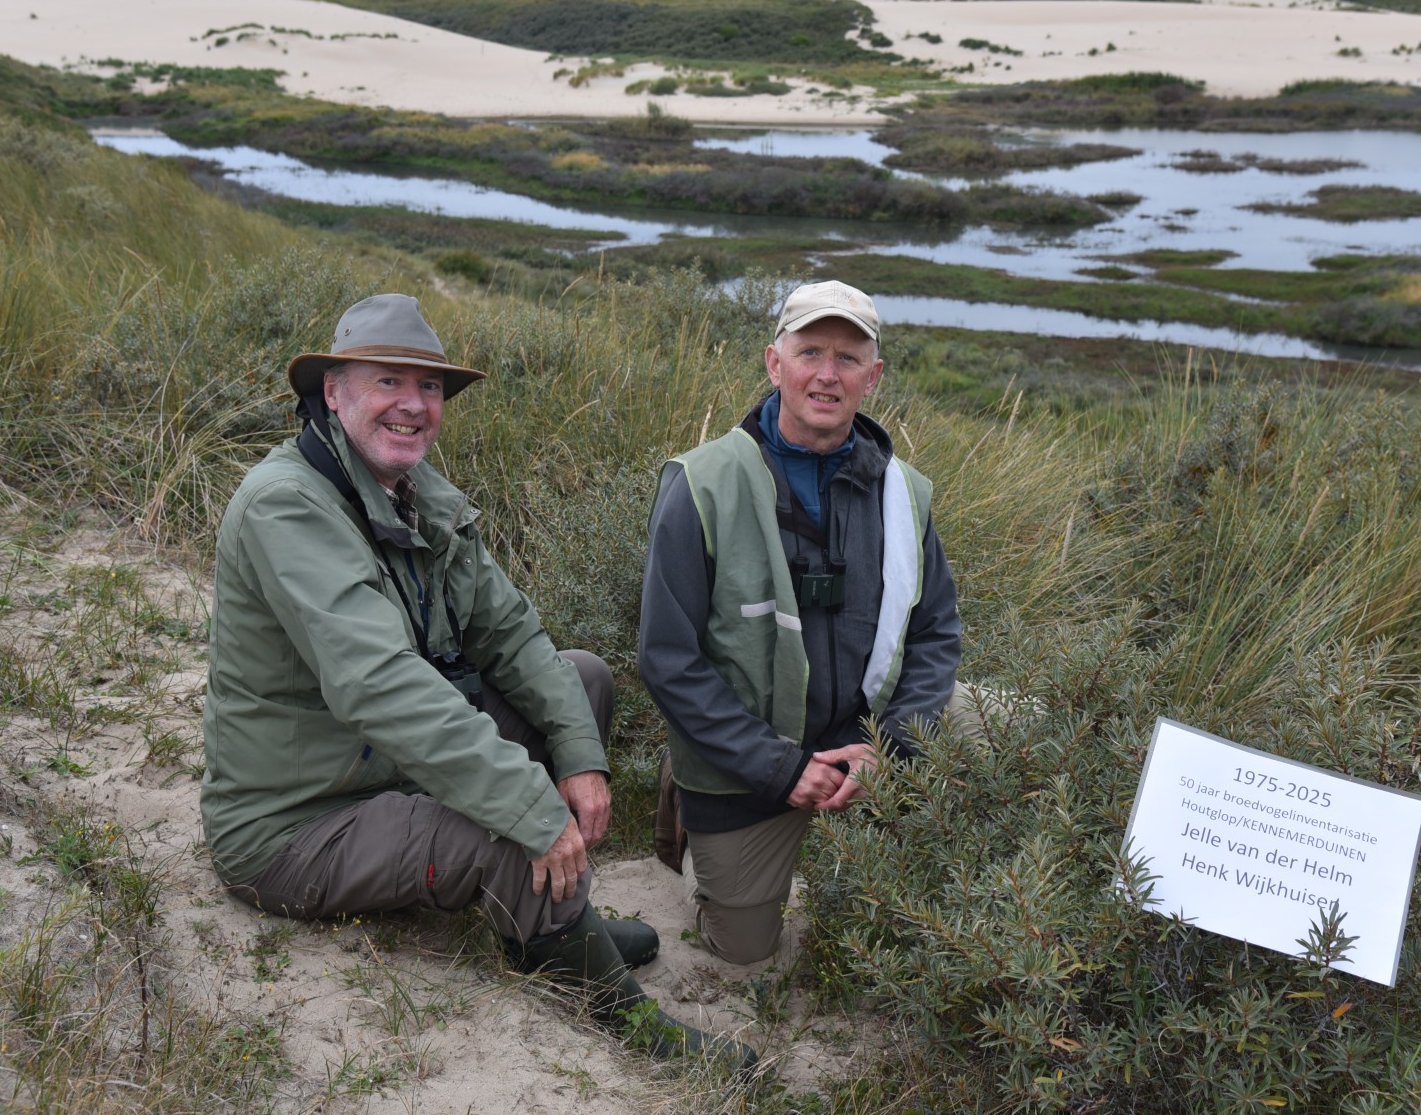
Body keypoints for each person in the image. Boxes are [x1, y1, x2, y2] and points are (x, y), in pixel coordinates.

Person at [202, 293, 751, 1067]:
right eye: (387, 380)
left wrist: (579, 755)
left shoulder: (413, 491)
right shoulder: (285, 505)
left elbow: (512, 633)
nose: (413, 404)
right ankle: (626, 1017)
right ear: (333, 391)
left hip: (379, 764)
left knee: (580, 684)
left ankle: (544, 931)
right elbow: (380, 686)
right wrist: (532, 805)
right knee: (499, 826)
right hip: (294, 822)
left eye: (429, 388)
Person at [639, 280, 964, 965]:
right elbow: (668, 658)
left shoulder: (906, 494)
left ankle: (857, 803)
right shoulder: (701, 484)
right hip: (748, 765)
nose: (827, 373)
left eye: (849, 358)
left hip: (864, 747)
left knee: (996, 718)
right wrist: (779, 766)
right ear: (773, 363)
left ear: (872, 378)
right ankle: (691, 813)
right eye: (810, 350)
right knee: (744, 950)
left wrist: (892, 746)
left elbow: (936, 632)